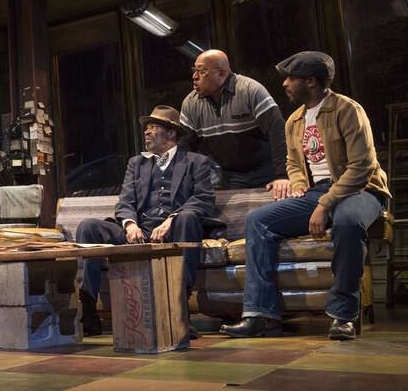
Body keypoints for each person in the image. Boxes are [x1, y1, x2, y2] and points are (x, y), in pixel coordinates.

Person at [220, 51, 390, 340]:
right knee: (258, 220)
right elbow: (293, 163)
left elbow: (362, 166)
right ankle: (261, 314)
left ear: (310, 81)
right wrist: (298, 185)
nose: (285, 84)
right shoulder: (294, 121)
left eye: (291, 78)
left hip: (361, 190)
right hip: (317, 192)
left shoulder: (347, 109)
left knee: (347, 223)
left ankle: (343, 315)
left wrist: (325, 204)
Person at [75, 105, 215, 337]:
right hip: (140, 230)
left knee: (188, 218)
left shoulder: (195, 162)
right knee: (88, 226)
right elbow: (125, 201)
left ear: (171, 133)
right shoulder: (136, 164)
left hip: (175, 230)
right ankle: (87, 313)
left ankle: (179, 312)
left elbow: (204, 199)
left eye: (153, 127)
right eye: (146, 128)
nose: (146, 132)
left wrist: (172, 218)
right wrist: (130, 225)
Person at [179, 49, 291, 199]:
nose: (194, 76)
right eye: (194, 71)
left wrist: (282, 175)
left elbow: (278, 133)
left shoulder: (250, 90)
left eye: (202, 71)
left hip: (267, 173)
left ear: (222, 74)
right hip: (231, 178)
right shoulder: (190, 103)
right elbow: (185, 148)